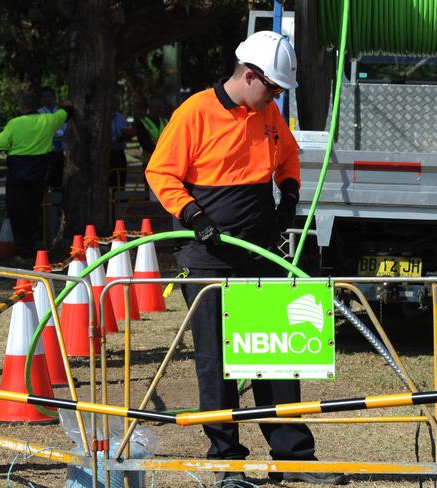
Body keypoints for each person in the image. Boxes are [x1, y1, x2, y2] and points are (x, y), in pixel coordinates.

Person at [145, 31, 345, 486]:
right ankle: (228, 462)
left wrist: (289, 194)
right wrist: (193, 214)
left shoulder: (268, 113)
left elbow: (288, 155)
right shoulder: (195, 112)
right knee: (216, 364)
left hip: (260, 252)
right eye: (272, 88)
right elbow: (160, 172)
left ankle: (293, 457)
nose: (276, 97)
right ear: (249, 75)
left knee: (275, 356)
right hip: (209, 256)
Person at [0, 92, 69, 260]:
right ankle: (33, 244)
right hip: (39, 176)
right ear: (38, 105)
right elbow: (65, 113)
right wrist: (65, 105)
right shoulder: (48, 120)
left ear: (21, 107)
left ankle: (23, 249)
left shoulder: (14, 123)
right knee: (34, 210)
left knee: (17, 211)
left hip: (17, 176)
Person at [38, 86, 67, 189]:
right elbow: (45, 132)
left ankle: (56, 204)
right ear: (41, 100)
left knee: (58, 183)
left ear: (54, 98)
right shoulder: (39, 114)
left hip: (60, 153)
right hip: (45, 153)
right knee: (45, 181)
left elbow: (67, 130)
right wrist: (60, 133)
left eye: (49, 96)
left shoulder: (61, 113)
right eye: (44, 97)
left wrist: (56, 132)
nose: (47, 99)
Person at [109, 97, 134, 190]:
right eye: (115, 102)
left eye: (118, 103)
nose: (117, 105)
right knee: (111, 181)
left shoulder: (121, 117)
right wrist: (116, 138)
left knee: (121, 180)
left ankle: (120, 201)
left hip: (120, 153)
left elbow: (126, 132)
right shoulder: (103, 118)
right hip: (109, 154)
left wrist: (128, 134)